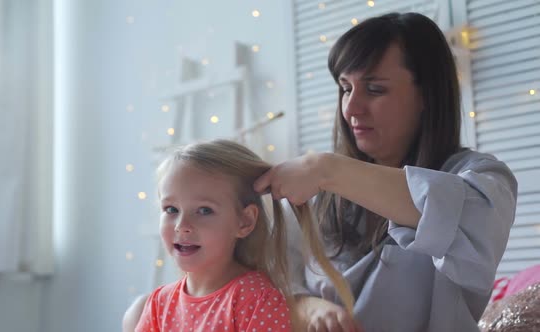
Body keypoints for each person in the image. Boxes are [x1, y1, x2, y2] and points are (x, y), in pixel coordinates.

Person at [253, 12, 518, 332]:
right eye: (345, 88)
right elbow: (273, 286)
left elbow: (448, 213)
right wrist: (311, 307)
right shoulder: (317, 193)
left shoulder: (482, 180)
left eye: (375, 89)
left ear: (426, 95)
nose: (350, 108)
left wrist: (325, 168)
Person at [125, 139, 359, 332]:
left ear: (245, 221)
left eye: (204, 210)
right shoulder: (158, 303)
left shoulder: (257, 300)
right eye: (171, 209)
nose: (182, 225)